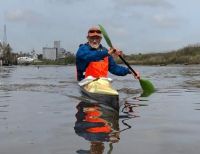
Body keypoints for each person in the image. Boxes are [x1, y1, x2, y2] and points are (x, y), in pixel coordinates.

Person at [76, 26, 140, 81]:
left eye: (97, 38)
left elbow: (114, 68)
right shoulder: (82, 49)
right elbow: (91, 56)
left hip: (102, 82)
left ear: (100, 39)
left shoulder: (105, 51)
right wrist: (107, 53)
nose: (94, 41)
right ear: (87, 38)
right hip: (85, 81)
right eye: (92, 38)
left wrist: (130, 71)